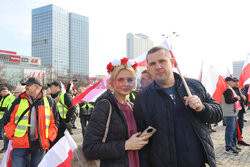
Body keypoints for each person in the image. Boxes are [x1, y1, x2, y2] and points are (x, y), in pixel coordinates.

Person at [133, 46, 223, 167]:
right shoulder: (143, 98)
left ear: (172, 62)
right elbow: (142, 140)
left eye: (162, 61)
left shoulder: (194, 86)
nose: (158, 66)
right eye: (153, 63)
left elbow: (218, 114)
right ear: (148, 68)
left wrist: (202, 108)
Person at [83, 57, 151, 167]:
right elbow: (89, 148)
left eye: (130, 80)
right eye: (120, 79)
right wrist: (125, 145)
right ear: (112, 83)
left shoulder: (131, 106)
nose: (126, 83)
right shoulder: (104, 105)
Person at [4, 77, 59, 167]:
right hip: (20, 143)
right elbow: (8, 119)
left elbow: (55, 123)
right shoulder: (18, 101)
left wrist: (48, 137)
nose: (26, 87)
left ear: (37, 87)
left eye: (28, 85)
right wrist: (12, 135)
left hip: (39, 145)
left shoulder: (50, 102)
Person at [0, 85, 26, 153]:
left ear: (21, 92)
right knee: (5, 137)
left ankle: (7, 149)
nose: (14, 94)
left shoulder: (19, 102)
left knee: (7, 139)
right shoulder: (14, 100)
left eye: (16, 93)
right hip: (6, 123)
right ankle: (6, 148)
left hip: (15, 128)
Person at [221, 77, 242, 154]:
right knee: (230, 131)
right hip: (229, 113)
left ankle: (232, 145)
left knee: (232, 130)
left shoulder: (229, 89)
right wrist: (237, 98)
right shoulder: (228, 90)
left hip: (231, 112)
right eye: (233, 81)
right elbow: (228, 101)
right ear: (228, 82)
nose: (234, 83)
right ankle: (229, 147)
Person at [232, 78, 249, 146]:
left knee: (241, 125)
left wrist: (243, 97)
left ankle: (239, 139)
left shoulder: (238, 89)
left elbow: (242, 98)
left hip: (241, 110)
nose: (237, 83)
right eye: (235, 82)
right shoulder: (231, 90)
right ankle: (234, 141)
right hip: (235, 111)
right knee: (235, 126)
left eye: (237, 82)